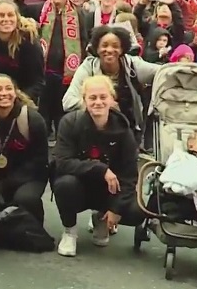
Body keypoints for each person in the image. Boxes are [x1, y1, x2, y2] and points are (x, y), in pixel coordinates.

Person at [53, 75, 145, 257]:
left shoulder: (124, 130)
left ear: (112, 99)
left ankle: (101, 218)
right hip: (79, 185)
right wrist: (101, 169)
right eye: (92, 98)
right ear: (84, 100)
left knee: (137, 211)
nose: (98, 102)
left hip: (109, 189)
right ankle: (70, 231)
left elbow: (129, 175)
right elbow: (62, 162)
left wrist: (116, 208)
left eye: (103, 97)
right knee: (64, 184)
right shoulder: (70, 123)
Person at [0, 74, 48, 222]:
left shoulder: (33, 119)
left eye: (8, 88)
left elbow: (41, 160)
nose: (4, 93)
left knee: (26, 199)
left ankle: (34, 230)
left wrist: (7, 184)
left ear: (15, 92)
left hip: (27, 177)